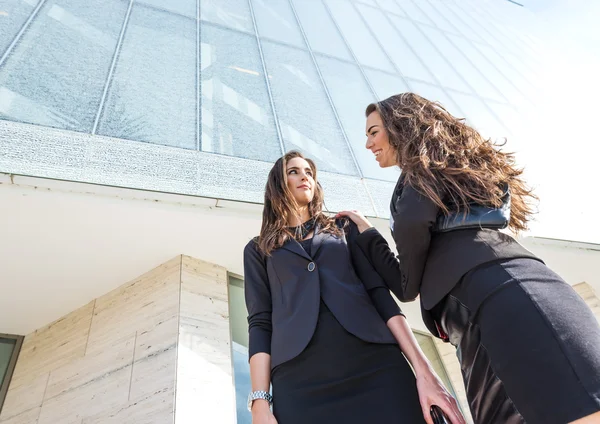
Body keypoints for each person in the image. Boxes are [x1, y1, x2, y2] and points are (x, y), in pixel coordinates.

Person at [337, 93, 600, 424]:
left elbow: (407, 278)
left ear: (400, 125)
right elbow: (407, 284)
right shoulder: (442, 175)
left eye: (373, 132)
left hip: (499, 304)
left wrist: (373, 236)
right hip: (505, 303)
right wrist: (369, 236)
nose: (367, 144)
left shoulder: (422, 174)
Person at [244, 151, 465, 424]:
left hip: (376, 365)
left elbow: (379, 296)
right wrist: (260, 402)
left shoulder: (342, 229)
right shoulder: (258, 250)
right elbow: (260, 324)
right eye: (294, 171)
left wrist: (424, 369)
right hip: (300, 382)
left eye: (309, 172)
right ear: (278, 183)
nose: (305, 176)